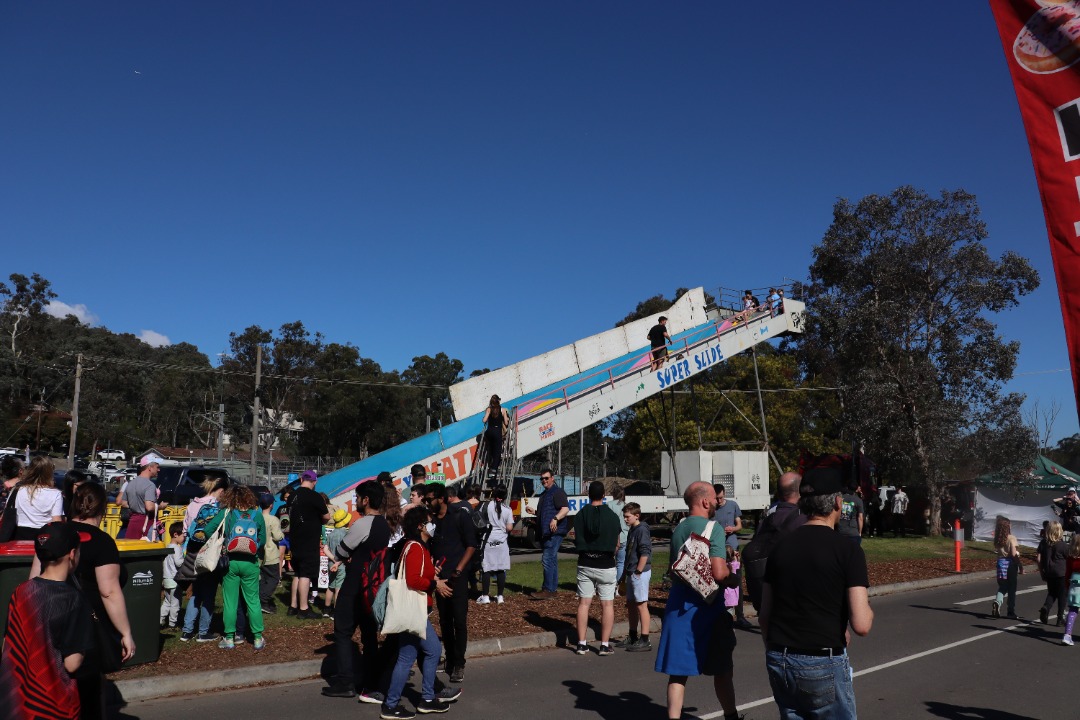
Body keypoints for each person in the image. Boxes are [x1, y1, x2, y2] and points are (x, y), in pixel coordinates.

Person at [760, 466, 874, 720]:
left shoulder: (780, 548)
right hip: (822, 660)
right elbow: (862, 624)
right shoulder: (848, 550)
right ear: (837, 502)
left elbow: (765, 615)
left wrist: (775, 651)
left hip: (780, 657)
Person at [32, 482, 136, 719]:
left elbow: (35, 580)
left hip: (49, 616)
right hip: (85, 622)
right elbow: (109, 591)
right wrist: (125, 632)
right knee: (87, 685)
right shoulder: (102, 542)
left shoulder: (53, 534)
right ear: (103, 510)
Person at [654, 481, 741, 720]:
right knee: (722, 668)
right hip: (708, 607)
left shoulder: (679, 528)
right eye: (713, 498)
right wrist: (733, 579)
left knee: (677, 673)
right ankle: (731, 716)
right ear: (704, 501)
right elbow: (718, 573)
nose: (716, 502)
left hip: (679, 604)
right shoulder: (714, 529)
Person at [1, 522, 93, 720]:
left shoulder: (21, 591)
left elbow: (7, 646)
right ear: (71, 554)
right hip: (53, 706)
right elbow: (72, 663)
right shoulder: (74, 599)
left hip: (16, 704)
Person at [381, 505, 455, 720]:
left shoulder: (413, 546)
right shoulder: (416, 547)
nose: (433, 524)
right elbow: (413, 580)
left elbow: (415, 574)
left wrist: (432, 572)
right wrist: (435, 584)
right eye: (429, 521)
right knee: (426, 652)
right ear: (421, 525)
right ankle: (421, 700)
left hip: (412, 610)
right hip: (415, 611)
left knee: (413, 655)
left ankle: (402, 702)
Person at [323, 481, 392, 701]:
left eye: (358, 497)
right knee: (369, 635)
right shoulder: (384, 524)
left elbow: (342, 550)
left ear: (366, 500)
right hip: (372, 586)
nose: (356, 501)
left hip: (354, 584)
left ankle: (345, 681)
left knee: (342, 633)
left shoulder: (363, 524)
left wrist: (347, 555)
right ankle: (371, 680)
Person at [202, 484, 267, 650]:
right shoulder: (257, 515)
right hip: (251, 563)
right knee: (253, 601)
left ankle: (229, 638)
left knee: (230, 602)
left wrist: (222, 542)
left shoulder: (227, 513)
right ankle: (258, 638)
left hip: (230, 562)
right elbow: (263, 540)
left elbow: (208, 529)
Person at [427, 482, 478, 683]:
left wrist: (458, 570)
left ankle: (459, 663)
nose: (427, 502)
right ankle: (449, 658)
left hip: (457, 578)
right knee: (445, 621)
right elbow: (429, 549)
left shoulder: (459, 515)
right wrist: (433, 570)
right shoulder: (431, 523)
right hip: (440, 580)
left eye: (430, 499)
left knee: (459, 621)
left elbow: (471, 545)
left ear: (441, 498)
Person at [572, 481, 621, 656]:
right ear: (603, 496)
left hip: (585, 561)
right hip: (606, 563)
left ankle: (581, 643)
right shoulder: (613, 516)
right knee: (607, 604)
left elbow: (577, 536)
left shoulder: (581, 514)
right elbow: (617, 543)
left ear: (588, 495)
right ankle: (604, 644)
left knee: (584, 603)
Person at [178, 478, 228, 643]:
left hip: (192, 552)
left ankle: (186, 631)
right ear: (220, 491)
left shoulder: (192, 504)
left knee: (195, 593)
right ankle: (203, 632)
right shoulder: (217, 507)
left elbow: (186, 530)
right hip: (209, 554)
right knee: (209, 594)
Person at [289, 470, 331, 619]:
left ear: (301, 480)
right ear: (315, 482)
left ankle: (293, 605)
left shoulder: (292, 496)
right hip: (309, 539)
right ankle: (304, 608)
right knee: (306, 574)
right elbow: (326, 516)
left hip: (294, 538)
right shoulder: (315, 497)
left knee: (298, 573)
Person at [525, 469, 569, 599]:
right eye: (542, 479)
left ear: (552, 478)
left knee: (547, 559)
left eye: (546, 478)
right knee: (552, 560)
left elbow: (565, 509)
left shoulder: (558, 492)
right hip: (547, 533)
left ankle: (548, 589)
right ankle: (552, 590)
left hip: (554, 532)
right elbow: (545, 512)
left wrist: (555, 519)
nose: (544, 480)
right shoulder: (545, 494)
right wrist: (534, 512)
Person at [712, 484, 749, 629]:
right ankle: (720, 613)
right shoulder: (712, 509)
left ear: (724, 494)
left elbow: (739, 525)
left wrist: (732, 529)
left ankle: (740, 616)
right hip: (717, 548)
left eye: (721, 498)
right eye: (717, 498)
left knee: (736, 581)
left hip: (732, 547)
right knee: (719, 580)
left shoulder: (733, 505)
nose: (719, 501)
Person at [621, 501, 653, 652]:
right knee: (632, 605)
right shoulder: (632, 530)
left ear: (636, 515)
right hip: (631, 571)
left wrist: (638, 572)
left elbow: (645, 552)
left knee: (641, 605)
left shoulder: (641, 530)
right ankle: (633, 635)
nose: (625, 519)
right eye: (624, 516)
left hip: (639, 572)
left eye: (627, 516)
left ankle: (645, 638)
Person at [478, 485, 515, 604]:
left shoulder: (487, 505)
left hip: (488, 540)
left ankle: (485, 596)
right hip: (502, 541)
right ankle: (500, 596)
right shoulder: (508, 509)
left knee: (487, 568)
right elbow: (509, 527)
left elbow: (479, 519)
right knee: (500, 569)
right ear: (504, 496)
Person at [12, 455, 63, 540]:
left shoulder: (19, 490)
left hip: (20, 533)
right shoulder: (56, 494)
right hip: (44, 535)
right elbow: (56, 522)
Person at [121, 455, 161, 539]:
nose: (158, 470)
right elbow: (149, 507)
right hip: (146, 524)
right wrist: (160, 506)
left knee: (132, 548)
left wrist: (137, 505)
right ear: (150, 467)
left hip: (132, 523)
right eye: (157, 467)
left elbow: (123, 503)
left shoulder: (131, 483)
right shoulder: (150, 485)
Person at [1038, 521, 1069, 626]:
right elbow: (1068, 558)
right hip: (1061, 573)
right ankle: (1060, 617)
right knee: (1062, 595)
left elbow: (1039, 559)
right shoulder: (1063, 545)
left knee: (1052, 592)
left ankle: (1046, 607)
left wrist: (1042, 572)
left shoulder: (1043, 544)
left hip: (1049, 572)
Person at [323, 508, 353, 616]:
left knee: (330, 586)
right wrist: (338, 561)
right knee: (339, 587)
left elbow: (325, 549)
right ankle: (337, 611)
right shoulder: (347, 534)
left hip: (331, 564)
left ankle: (326, 609)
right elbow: (346, 551)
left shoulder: (330, 534)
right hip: (342, 564)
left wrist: (333, 559)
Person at [992, 515, 1022, 620]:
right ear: (1008, 527)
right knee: (1012, 588)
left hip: (1000, 564)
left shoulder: (998, 539)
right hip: (1010, 565)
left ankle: (997, 602)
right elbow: (1013, 554)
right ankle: (1010, 611)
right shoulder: (1011, 538)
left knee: (1003, 586)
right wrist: (1019, 564)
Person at [260, 493, 284, 613]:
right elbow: (277, 536)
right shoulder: (273, 519)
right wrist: (282, 533)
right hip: (271, 553)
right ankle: (263, 600)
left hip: (259, 554)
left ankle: (260, 599)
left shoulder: (256, 517)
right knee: (274, 578)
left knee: (263, 578)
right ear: (271, 505)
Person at [160, 522, 185, 629]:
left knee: (167, 601)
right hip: (175, 580)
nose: (184, 537)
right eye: (183, 535)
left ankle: (160, 620)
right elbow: (179, 563)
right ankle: (172, 624)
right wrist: (186, 561)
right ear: (176, 535)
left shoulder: (168, 547)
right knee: (175, 603)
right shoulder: (177, 548)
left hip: (166, 579)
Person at [482, 395, 510, 475]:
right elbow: (506, 423)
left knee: (491, 448)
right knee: (497, 451)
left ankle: (490, 462)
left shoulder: (489, 409)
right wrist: (506, 418)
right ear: (498, 401)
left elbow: (484, 420)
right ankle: (493, 469)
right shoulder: (503, 410)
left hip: (489, 431)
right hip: (497, 431)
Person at [1060, 533, 1080, 645]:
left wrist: (1067, 586)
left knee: (1072, 610)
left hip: (1073, 584)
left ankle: (1067, 635)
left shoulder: (1070, 559)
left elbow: (1067, 573)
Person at [609, 485, 630, 586]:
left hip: (612, 537)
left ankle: (609, 583)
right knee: (621, 562)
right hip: (624, 536)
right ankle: (618, 584)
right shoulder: (626, 506)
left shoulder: (609, 505)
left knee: (610, 562)